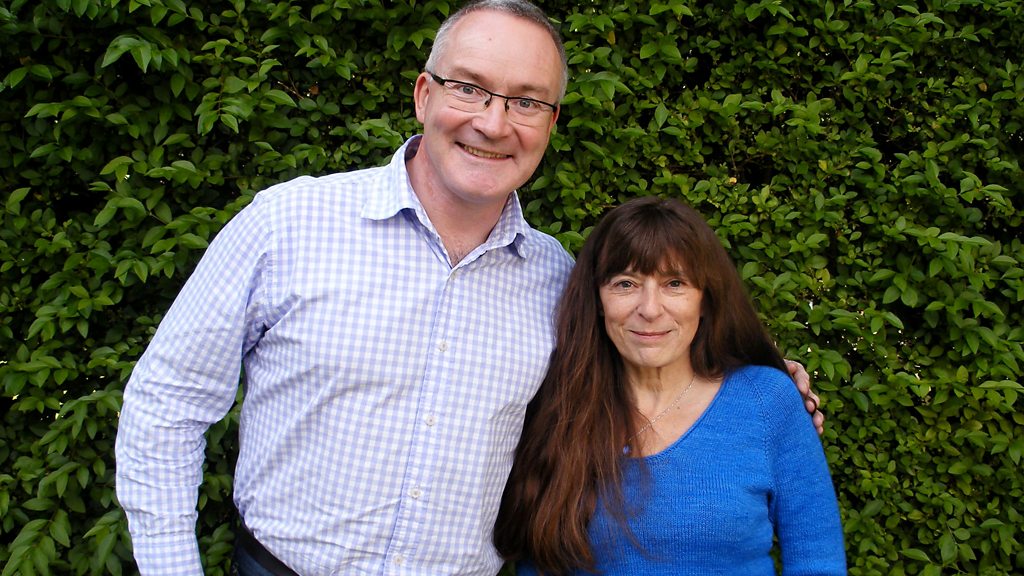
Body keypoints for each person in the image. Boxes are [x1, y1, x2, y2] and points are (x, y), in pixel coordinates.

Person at [115, 2, 822, 575]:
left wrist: (760, 381)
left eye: (526, 101)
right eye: (469, 88)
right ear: (424, 94)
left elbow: (641, 370)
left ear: (551, 124)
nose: (492, 122)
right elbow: (167, 405)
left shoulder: (558, 282)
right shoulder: (288, 224)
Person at [494, 196, 845, 575]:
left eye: (674, 283)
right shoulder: (560, 407)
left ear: (705, 299)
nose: (649, 308)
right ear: (597, 300)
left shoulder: (767, 400)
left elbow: (817, 561)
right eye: (625, 284)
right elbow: (538, 564)